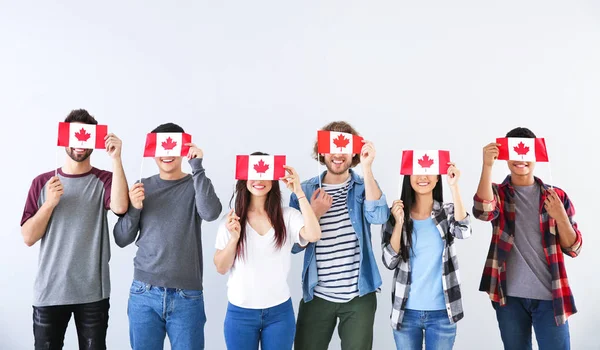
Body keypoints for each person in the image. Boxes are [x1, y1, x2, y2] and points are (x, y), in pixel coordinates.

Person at [20, 109, 129, 349]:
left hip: (92, 294)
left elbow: (121, 207)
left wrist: (117, 158)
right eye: (76, 136)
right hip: (50, 292)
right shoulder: (42, 183)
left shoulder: (106, 179)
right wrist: (49, 203)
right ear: (64, 139)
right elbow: (28, 237)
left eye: (87, 137)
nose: (80, 144)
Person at [113, 122, 222, 350]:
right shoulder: (142, 186)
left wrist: (198, 167)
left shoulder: (196, 183)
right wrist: (134, 208)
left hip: (187, 296)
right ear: (153, 152)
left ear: (183, 149)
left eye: (173, 147)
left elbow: (211, 213)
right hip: (144, 293)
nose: (167, 154)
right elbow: (121, 238)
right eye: (162, 148)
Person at [473, 127, 582, 350]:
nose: (521, 159)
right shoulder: (499, 194)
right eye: (515, 152)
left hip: (551, 297)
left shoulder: (556, 196)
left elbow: (574, 248)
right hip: (509, 297)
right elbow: (483, 211)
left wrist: (561, 217)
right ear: (506, 155)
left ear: (536, 155)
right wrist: (487, 166)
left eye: (526, 152)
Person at [290, 121, 390, 350]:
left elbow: (380, 217)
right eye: (332, 146)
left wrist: (367, 167)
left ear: (353, 152)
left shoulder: (363, 186)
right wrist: (314, 212)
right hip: (317, 295)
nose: (338, 154)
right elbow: (294, 246)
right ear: (322, 151)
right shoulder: (304, 190)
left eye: (344, 147)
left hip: (359, 295)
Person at [214, 152, 321, 350]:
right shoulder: (231, 221)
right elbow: (220, 267)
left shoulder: (288, 217)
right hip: (240, 313)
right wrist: (234, 239)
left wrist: (298, 192)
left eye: (265, 175)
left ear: (273, 180)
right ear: (244, 179)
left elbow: (313, 235)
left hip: (279, 313)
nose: (259, 180)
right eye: (254, 174)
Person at [382, 163, 471, 350]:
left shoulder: (446, 212)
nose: (423, 176)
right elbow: (389, 261)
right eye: (417, 172)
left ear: (437, 177)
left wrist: (454, 187)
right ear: (408, 177)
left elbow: (464, 231)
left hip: (442, 313)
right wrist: (399, 223)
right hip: (406, 313)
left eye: (428, 171)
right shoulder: (396, 214)